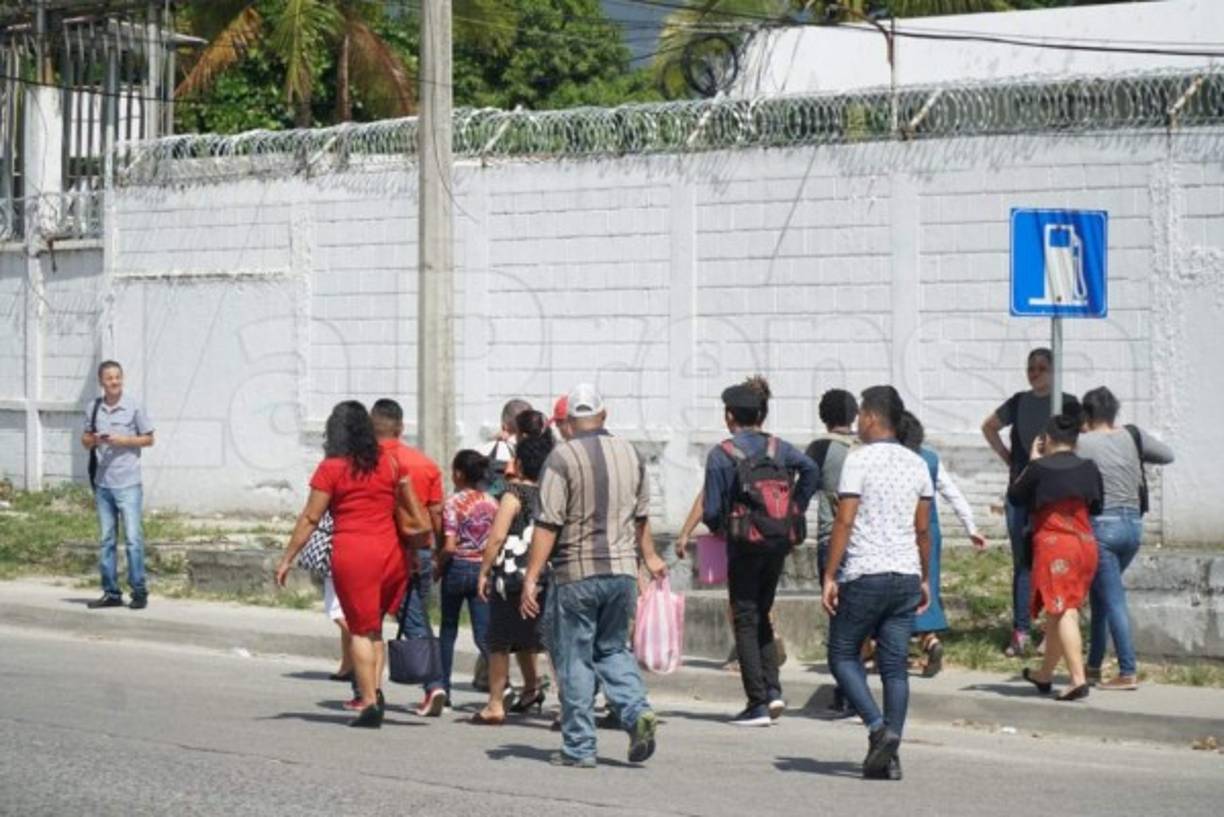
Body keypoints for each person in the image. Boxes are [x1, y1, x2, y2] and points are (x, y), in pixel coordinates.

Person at [520, 383, 667, 768]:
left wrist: (532, 576)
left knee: (575, 659)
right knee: (613, 649)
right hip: (621, 572)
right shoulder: (632, 454)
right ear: (603, 416)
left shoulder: (561, 457)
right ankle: (636, 713)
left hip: (576, 573)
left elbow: (548, 523)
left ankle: (580, 748)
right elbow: (641, 517)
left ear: (568, 422)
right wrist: (649, 558)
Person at [276, 401, 430, 728]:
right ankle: (376, 689)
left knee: (360, 630)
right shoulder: (389, 463)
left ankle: (369, 702)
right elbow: (410, 512)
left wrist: (288, 558)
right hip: (391, 553)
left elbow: (310, 518)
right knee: (375, 628)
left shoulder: (331, 469)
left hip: (354, 552)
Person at [821, 386, 933, 781]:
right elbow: (923, 531)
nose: (857, 423)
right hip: (904, 576)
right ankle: (891, 751)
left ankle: (876, 727)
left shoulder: (858, 460)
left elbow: (845, 521)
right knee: (895, 669)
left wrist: (830, 574)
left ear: (870, 417)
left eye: (860, 415)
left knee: (842, 655)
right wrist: (923, 578)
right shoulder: (917, 464)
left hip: (866, 573)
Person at [701, 377, 819, 726]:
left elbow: (710, 510)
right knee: (762, 612)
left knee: (745, 618)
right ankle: (773, 692)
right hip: (778, 542)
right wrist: (794, 508)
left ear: (729, 416)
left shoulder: (722, 454)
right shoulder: (779, 449)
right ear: (761, 415)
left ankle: (757, 703)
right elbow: (810, 470)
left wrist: (724, 527)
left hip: (743, 545)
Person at [981, 348, 1077, 657]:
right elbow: (989, 426)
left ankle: (1051, 634)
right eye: (1030, 368)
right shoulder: (1018, 402)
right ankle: (1021, 631)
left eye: (1041, 368)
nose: (1034, 373)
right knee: (1023, 565)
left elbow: (1085, 439)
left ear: (1054, 371)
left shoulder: (1068, 404)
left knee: (1053, 565)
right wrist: (1008, 458)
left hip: (1055, 496)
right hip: (1020, 494)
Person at [1078, 387, 1174, 690]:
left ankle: (1127, 670)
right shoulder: (1133, 436)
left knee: (1113, 599)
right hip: (1133, 526)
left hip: (1102, 528)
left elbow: (1059, 464)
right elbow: (1167, 455)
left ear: (1088, 414)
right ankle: (1092, 665)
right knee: (1102, 596)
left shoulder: (1082, 442)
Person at [1009, 413, 1103, 702]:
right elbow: (1097, 506)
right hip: (1086, 544)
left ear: (1046, 439)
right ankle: (1045, 674)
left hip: (1055, 546)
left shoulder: (1039, 469)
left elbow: (1015, 496)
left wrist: (1034, 461)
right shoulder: (1089, 467)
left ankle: (1077, 679)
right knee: (1058, 609)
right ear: (1075, 441)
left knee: (1065, 611)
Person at [474, 410, 555, 724]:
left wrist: (483, 571)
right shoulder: (550, 493)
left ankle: (495, 703)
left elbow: (496, 538)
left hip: (510, 577)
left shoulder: (513, 494)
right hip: (544, 574)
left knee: (499, 640)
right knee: (542, 639)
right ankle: (534, 689)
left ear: (518, 463)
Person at [369, 398, 448, 716]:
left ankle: (367, 690)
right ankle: (435, 685)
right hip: (417, 551)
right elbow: (437, 514)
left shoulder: (363, 463)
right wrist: (439, 551)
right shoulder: (423, 464)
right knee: (416, 619)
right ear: (401, 428)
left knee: (367, 624)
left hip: (374, 550)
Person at [896, 411, 987, 677]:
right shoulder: (930, 458)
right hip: (930, 532)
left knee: (899, 591)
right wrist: (971, 527)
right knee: (927, 588)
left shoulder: (893, 460)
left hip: (901, 531)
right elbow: (953, 493)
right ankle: (930, 640)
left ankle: (895, 650)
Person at [80, 360, 155, 610]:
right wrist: (93, 439)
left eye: (118, 377)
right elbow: (85, 440)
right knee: (106, 539)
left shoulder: (133, 406)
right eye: (109, 378)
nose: (114, 382)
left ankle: (139, 591)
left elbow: (149, 438)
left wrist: (123, 440)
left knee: (133, 539)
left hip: (128, 483)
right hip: (103, 484)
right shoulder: (93, 408)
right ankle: (111, 592)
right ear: (101, 382)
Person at [804, 389, 859, 714]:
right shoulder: (865, 447)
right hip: (864, 543)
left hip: (831, 540)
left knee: (838, 619)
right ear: (854, 416)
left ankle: (846, 690)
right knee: (857, 617)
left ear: (823, 415)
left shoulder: (821, 448)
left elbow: (805, 489)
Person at [437, 450, 497, 702]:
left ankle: (442, 688)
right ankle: (500, 688)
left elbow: (449, 545)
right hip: (482, 570)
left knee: (448, 629)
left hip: (457, 568)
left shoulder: (452, 503)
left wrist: (438, 567)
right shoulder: (491, 502)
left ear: (459, 474)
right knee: (483, 634)